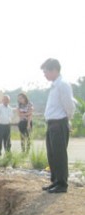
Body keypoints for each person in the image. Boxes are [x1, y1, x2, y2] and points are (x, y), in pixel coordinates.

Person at [40, 58, 76, 193]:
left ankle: (62, 184)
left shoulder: (63, 85)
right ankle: (55, 180)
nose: (44, 75)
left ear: (54, 70)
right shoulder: (54, 85)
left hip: (59, 123)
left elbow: (69, 106)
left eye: (45, 72)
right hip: (51, 124)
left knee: (59, 154)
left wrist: (67, 121)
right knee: (52, 154)